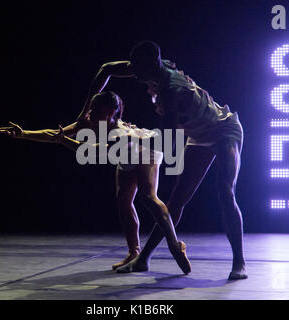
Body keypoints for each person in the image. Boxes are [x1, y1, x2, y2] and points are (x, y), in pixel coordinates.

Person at [78, 41, 247, 280]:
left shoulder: (171, 91)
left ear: (152, 65)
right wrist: (83, 112)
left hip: (224, 129)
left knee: (225, 192)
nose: (134, 74)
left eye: (138, 69)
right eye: (133, 67)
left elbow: (168, 143)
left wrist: (129, 145)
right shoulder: (149, 70)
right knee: (176, 200)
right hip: (198, 135)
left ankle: (239, 262)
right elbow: (106, 69)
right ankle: (143, 259)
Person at [0, 91, 191, 274]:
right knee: (123, 200)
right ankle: (134, 252)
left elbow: (89, 151)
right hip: (124, 157)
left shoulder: (119, 134)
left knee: (148, 197)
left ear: (109, 113)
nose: (90, 113)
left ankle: (175, 245)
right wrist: (23, 133)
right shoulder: (89, 122)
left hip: (143, 150)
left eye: (95, 110)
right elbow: (55, 134)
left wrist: (64, 141)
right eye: (91, 109)